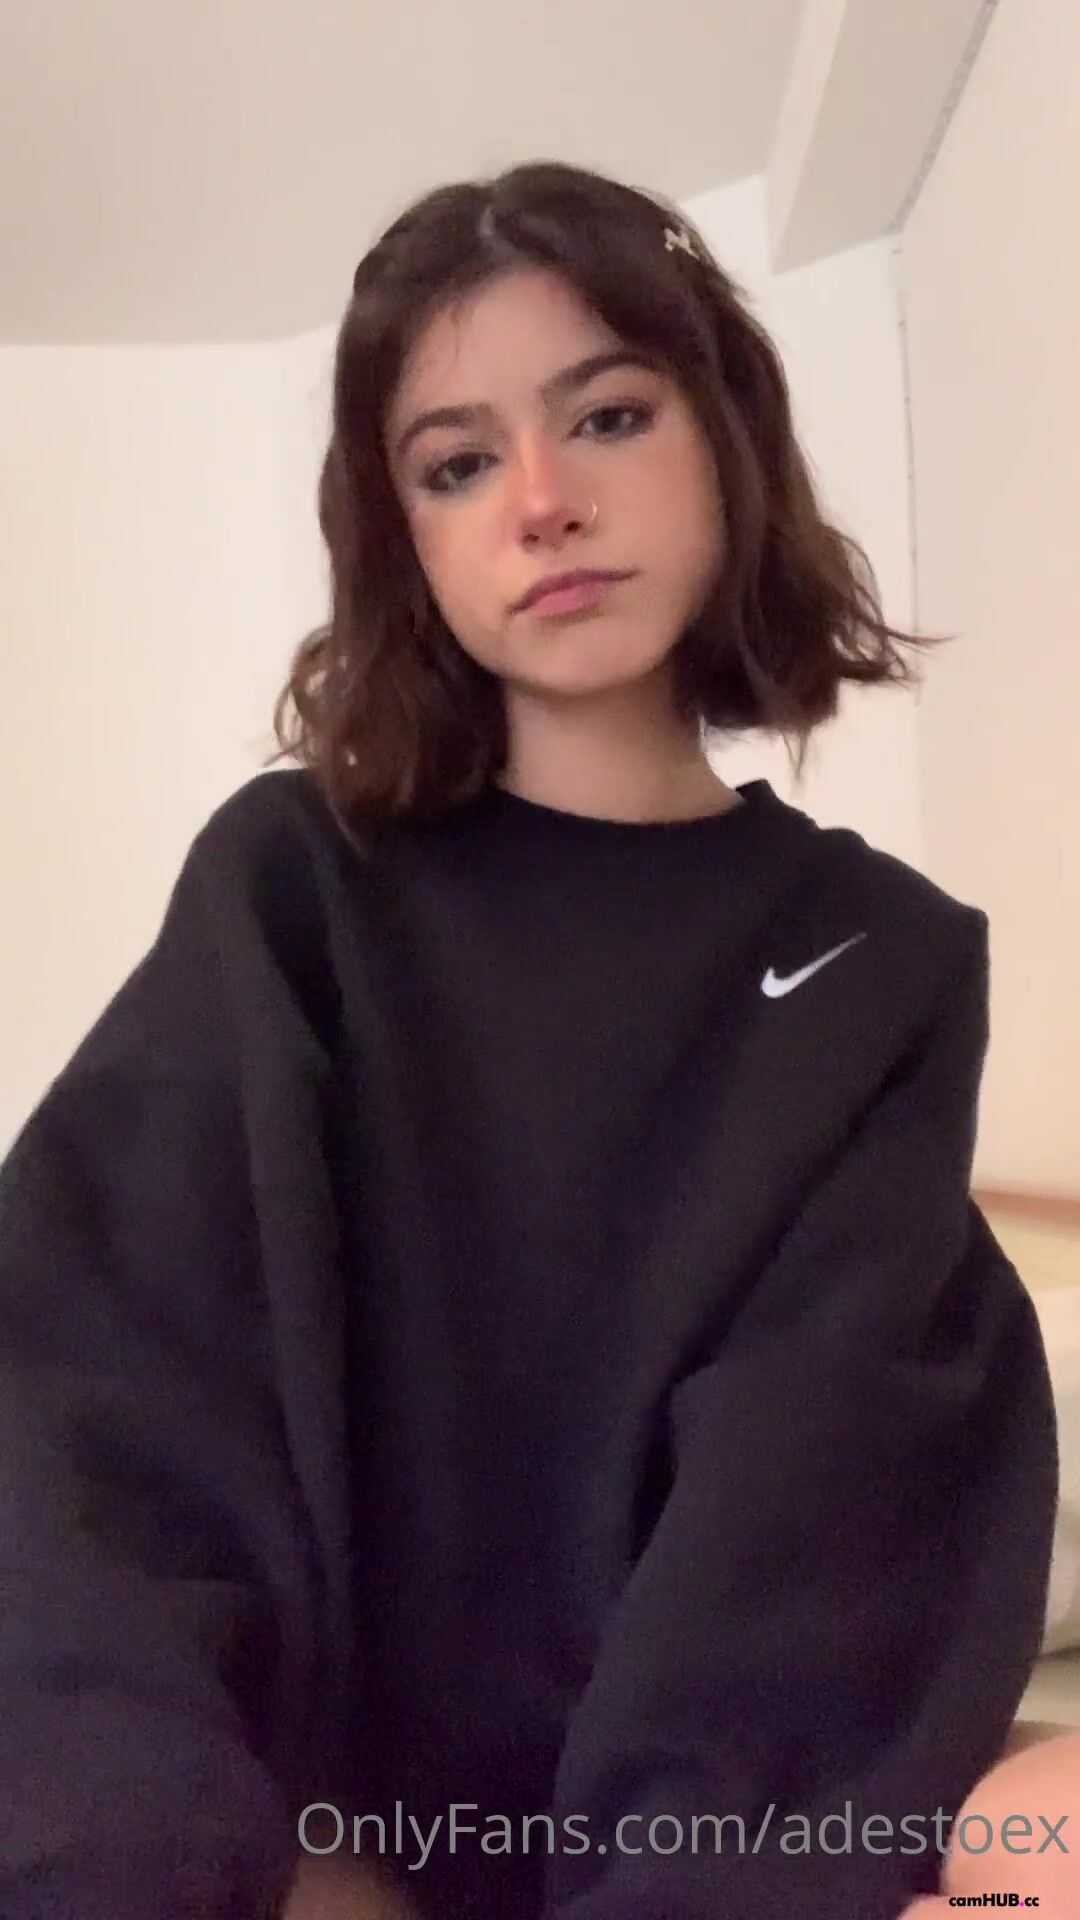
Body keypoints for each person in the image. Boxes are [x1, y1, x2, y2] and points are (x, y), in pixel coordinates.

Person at [0, 159, 1064, 1920]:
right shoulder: (296, 888)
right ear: (403, 535)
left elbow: (826, 1500)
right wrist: (186, 1855)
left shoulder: (876, 955)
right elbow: (98, 1392)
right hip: (279, 1824)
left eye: (610, 415)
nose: (545, 504)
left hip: (688, 1831)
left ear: (723, 436)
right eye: (458, 463)